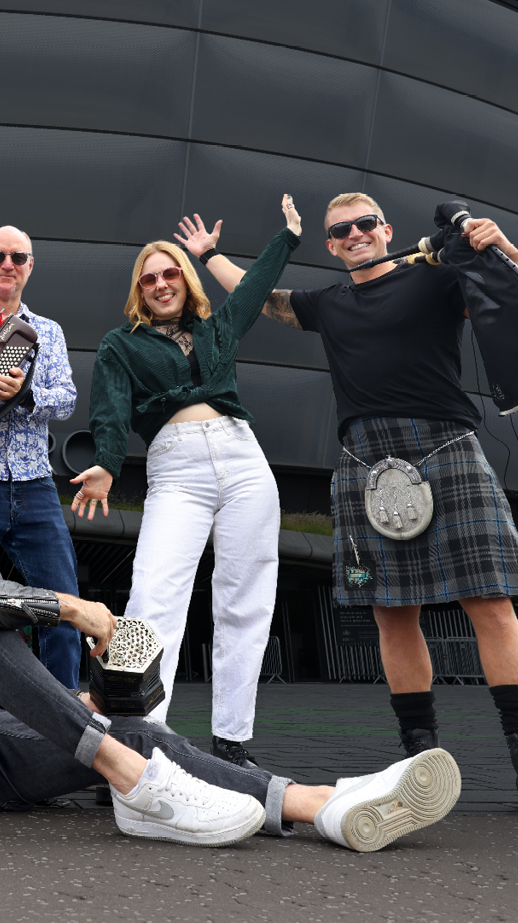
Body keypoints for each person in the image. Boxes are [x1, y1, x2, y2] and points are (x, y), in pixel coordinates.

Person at [0, 418, 461, 851]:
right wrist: (73, 608)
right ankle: (140, 787)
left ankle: (320, 804)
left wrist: (86, 706)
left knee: (133, 728)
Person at [196, 191, 518, 818]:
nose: (354, 235)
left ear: (386, 229)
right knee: (391, 615)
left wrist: (501, 245)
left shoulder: (436, 277)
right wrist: (210, 254)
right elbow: (259, 297)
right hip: (364, 463)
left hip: (446, 445)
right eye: (340, 230)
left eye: (364, 224)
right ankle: (417, 763)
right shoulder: (329, 302)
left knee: (491, 604)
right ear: (330, 243)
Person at [68, 197, 302, 770]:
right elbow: (110, 409)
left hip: (244, 459)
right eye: (149, 278)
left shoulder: (217, 327)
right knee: (153, 597)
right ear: (139, 290)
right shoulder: (122, 344)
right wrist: (105, 461)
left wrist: (289, 236)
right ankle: (140, 737)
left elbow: (253, 290)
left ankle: (232, 744)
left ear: (186, 278)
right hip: (175, 469)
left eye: (171, 271)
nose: (161, 283)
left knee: (247, 598)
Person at [0, 225, 83, 688]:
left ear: (30, 267)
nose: (7, 264)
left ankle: (66, 720)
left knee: (64, 608)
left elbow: (67, 400)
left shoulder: (48, 332)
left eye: (18, 257)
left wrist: (26, 394)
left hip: (35, 485)